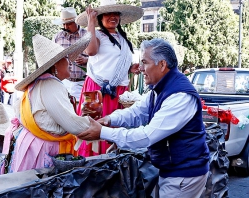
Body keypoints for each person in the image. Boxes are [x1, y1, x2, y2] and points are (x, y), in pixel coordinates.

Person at [77, 38, 210, 197]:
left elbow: (147, 136)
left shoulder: (180, 96)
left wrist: (103, 132)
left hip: (184, 173)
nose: (140, 68)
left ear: (161, 65)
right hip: (173, 169)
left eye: (144, 62)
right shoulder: (160, 88)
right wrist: (109, 119)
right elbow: (136, 112)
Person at [1, 33, 94, 173]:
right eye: (66, 58)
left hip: (32, 146)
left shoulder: (40, 83)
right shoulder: (51, 85)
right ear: (56, 64)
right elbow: (73, 125)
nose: (70, 62)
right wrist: (100, 126)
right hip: (42, 150)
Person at [74, 0, 143, 156]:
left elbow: (114, 63)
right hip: (98, 90)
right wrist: (91, 22)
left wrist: (130, 68)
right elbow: (91, 51)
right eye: (108, 14)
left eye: (116, 14)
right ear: (100, 17)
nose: (113, 17)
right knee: (95, 127)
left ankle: (113, 163)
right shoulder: (96, 34)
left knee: (115, 128)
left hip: (119, 91)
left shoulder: (122, 37)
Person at [53, 7, 88, 102]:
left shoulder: (87, 35)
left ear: (77, 22)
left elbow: (98, 56)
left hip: (83, 83)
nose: (65, 27)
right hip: (64, 83)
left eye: (68, 24)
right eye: (63, 24)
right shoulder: (58, 37)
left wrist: (86, 60)